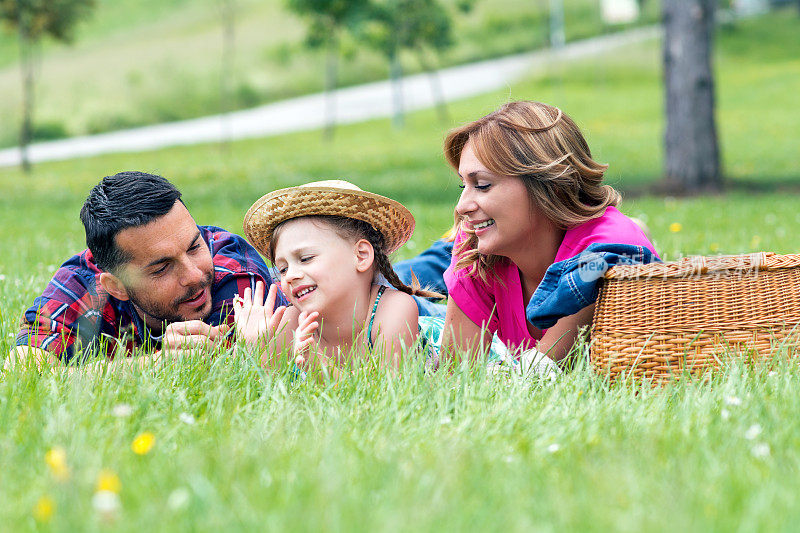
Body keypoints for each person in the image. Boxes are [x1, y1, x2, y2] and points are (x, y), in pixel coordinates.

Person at [440, 101, 659, 364]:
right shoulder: (477, 245)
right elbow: (455, 377)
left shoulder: (602, 258)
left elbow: (538, 375)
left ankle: (636, 229)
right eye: (463, 186)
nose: (462, 206)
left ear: (550, 186)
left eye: (483, 185)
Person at [9, 171, 283, 368]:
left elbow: (233, 372)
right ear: (116, 286)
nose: (195, 275)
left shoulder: (234, 271)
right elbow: (23, 377)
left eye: (194, 247)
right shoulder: (83, 283)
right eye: (162, 268)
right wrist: (152, 364)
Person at [234, 180, 441, 372]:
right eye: (282, 269)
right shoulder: (292, 323)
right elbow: (261, 392)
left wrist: (318, 366)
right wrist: (253, 348)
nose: (290, 276)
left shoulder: (394, 310)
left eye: (305, 258)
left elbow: (385, 397)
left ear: (361, 256)